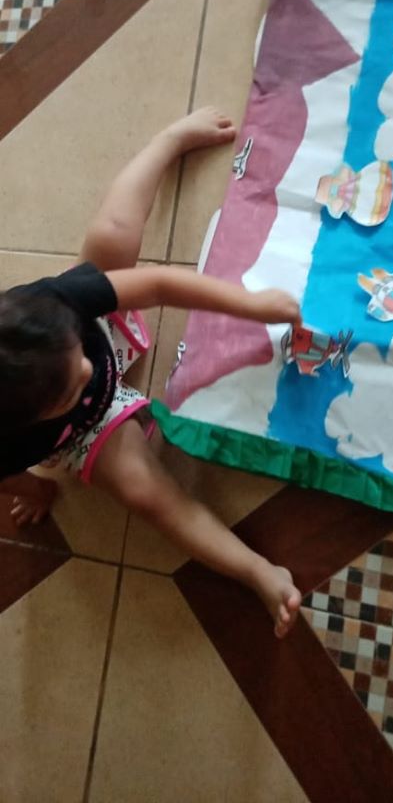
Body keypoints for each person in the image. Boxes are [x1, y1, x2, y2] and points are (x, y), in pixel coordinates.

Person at [0, 107, 302, 638]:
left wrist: (253, 305)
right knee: (148, 495)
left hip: (93, 323)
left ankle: (168, 140)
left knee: (111, 233)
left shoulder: (52, 306)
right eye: (73, 384)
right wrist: (36, 490)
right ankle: (258, 570)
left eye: (79, 361)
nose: (88, 370)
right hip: (84, 431)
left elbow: (161, 285)